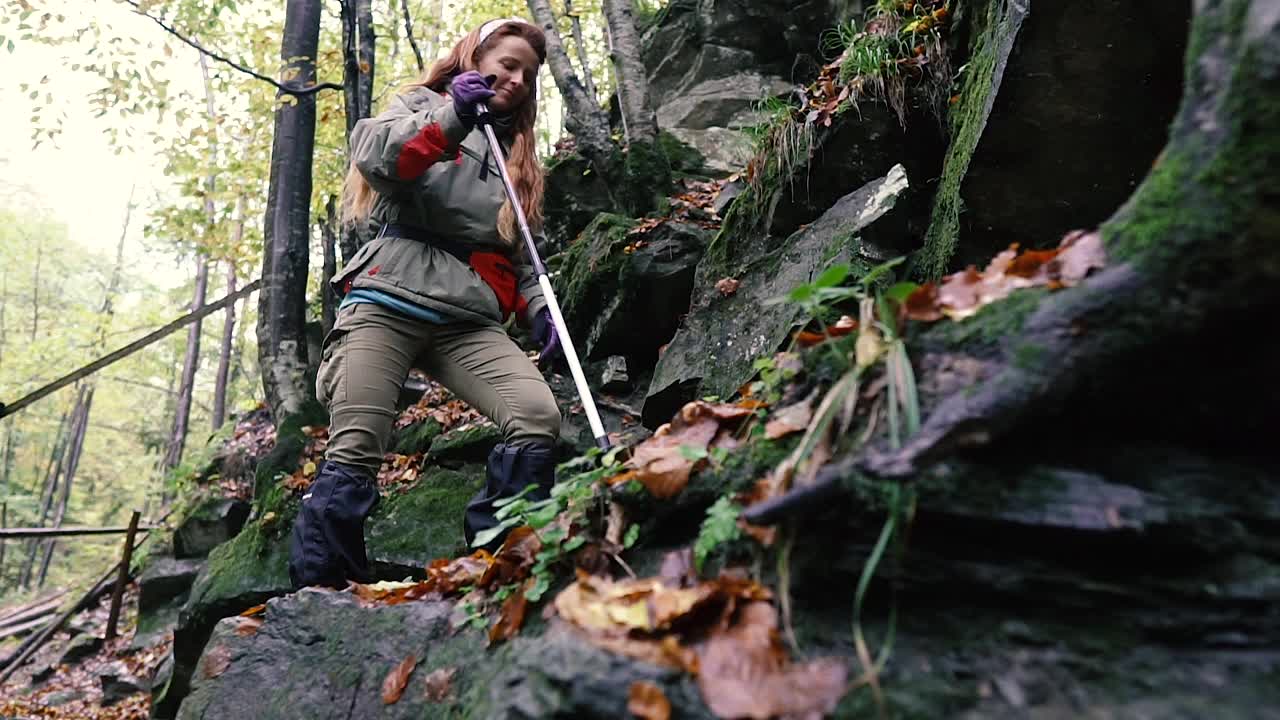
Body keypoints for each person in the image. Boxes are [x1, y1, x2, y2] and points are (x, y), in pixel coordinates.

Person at [288, 17, 564, 590]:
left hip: (467, 315)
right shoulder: (420, 105)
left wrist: (539, 309)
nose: (515, 79)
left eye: (528, 75)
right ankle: (321, 596)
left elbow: (523, 253)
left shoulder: (518, 155)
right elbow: (377, 157)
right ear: (473, 57)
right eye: (506, 64)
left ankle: (497, 565)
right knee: (358, 443)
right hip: (388, 293)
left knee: (537, 416)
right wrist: (454, 116)